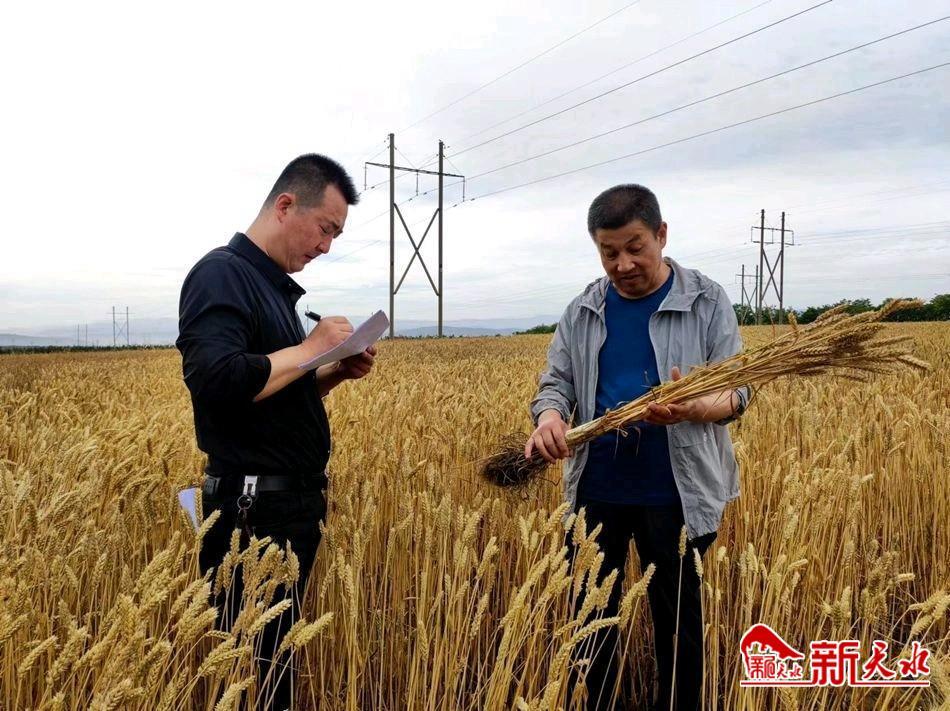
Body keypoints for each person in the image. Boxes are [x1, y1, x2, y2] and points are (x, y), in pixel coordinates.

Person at [525, 184, 747, 711]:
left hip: (677, 492)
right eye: (609, 253)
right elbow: (555, 383)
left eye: (634, 247)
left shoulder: (706, 300)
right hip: (597, 490)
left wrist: (694, 406)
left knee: (678, 624)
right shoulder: (584, 308)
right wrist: (550, 416)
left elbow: (737, 392)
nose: (622, 264)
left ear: (661, 235)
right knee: (588, 624)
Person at [177, 153, 375, 710]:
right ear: (286, 206)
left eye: (335, 236)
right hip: (252, 512)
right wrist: (311, 349)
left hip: (282, 508)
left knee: (274, 670)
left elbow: (267, 397)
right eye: (325, 229)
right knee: (254, 672)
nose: (326, 246)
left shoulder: (271, 287)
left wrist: (332, 371)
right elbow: (216, 381)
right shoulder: (221, 274)